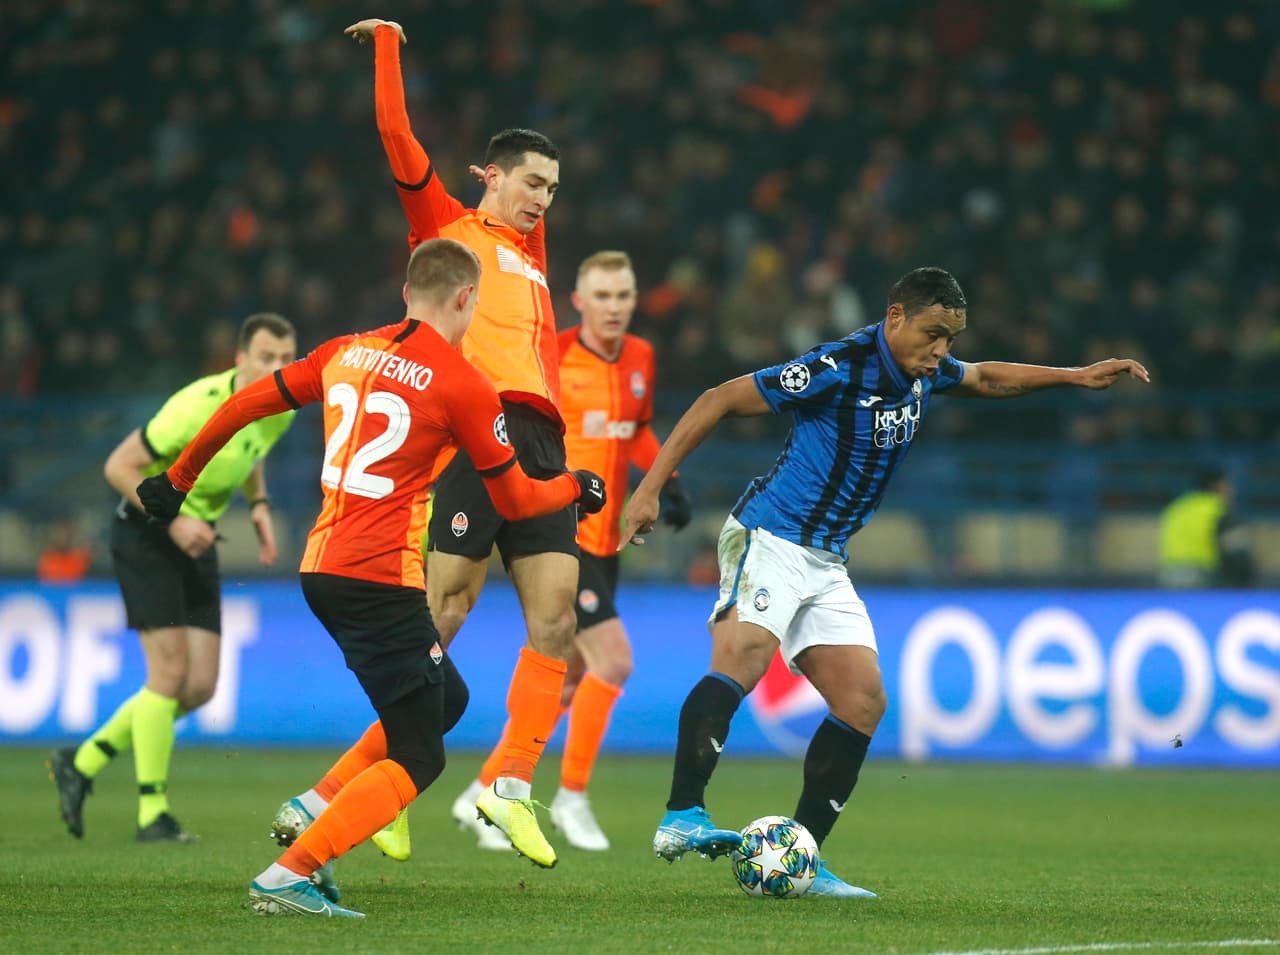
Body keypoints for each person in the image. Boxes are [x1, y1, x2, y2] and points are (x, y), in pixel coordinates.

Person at [620, 267, 1150, 898]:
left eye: (950, 339)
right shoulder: (838, 366)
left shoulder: (926, 372)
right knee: (745, 657)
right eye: (932, 334)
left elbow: (985, 377)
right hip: (772, 535)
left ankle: (803, 856)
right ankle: (683, 813)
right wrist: (649, 489)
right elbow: (719, 399)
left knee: (862, 700)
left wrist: (1074, 376)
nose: (941, 351)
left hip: (826, 559)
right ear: (895, 317)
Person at [136, 238, 606, 918]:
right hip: (380, 576)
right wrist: (574, 485)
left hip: (322, 566)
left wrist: (178, 480)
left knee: (445, 700)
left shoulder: (343, 351)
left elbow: (244, 405)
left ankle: (316, 814)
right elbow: (517, 500)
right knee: (422, 755)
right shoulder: (462, 384)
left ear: (407, 292)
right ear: (467, 299)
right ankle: (290, 872)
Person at [285, 17, 580, 870]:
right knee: (444, 613)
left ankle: (508, 784)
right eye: (531, 182)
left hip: (541, 441)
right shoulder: (447, 227)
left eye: (553, 188)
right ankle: (352, 789)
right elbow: (396, 136)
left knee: (556, 617)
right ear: (490, 176)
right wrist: (388, 44)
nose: (542, 199)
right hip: (471, 431)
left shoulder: (531, 252)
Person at [427, 250, 690, 854]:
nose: (614, 308)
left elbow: (635, 429)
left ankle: (482, 791)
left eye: (623, 296)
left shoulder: (641, 358)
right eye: (602, 296)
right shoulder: (551, 357)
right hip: (565, 527)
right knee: (613, 662)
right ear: (578, 301)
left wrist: (664, 480)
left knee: (567, 681)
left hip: (608, 540)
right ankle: (571, 796)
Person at [47, 312, 296, 843]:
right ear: (239, 359)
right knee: (168, 675)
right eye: (266, 358)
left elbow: (251, 451)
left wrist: (258, 504)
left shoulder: (281, 408)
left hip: (197, 537)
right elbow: (118, 467)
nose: (277, 368)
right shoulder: (195, 406)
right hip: (148, 533)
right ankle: (151, 814)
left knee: (199, 686)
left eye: (285, 358)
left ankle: (81, 762)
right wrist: (174, 521)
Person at [1158, 466, 1254, 588]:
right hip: (1201, 575)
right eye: (1227, 484)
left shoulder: (1176, 508)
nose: (1231, 489)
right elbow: (1235, 552)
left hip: (1169, 576)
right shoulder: (1218, 509)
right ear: (1217, 485)